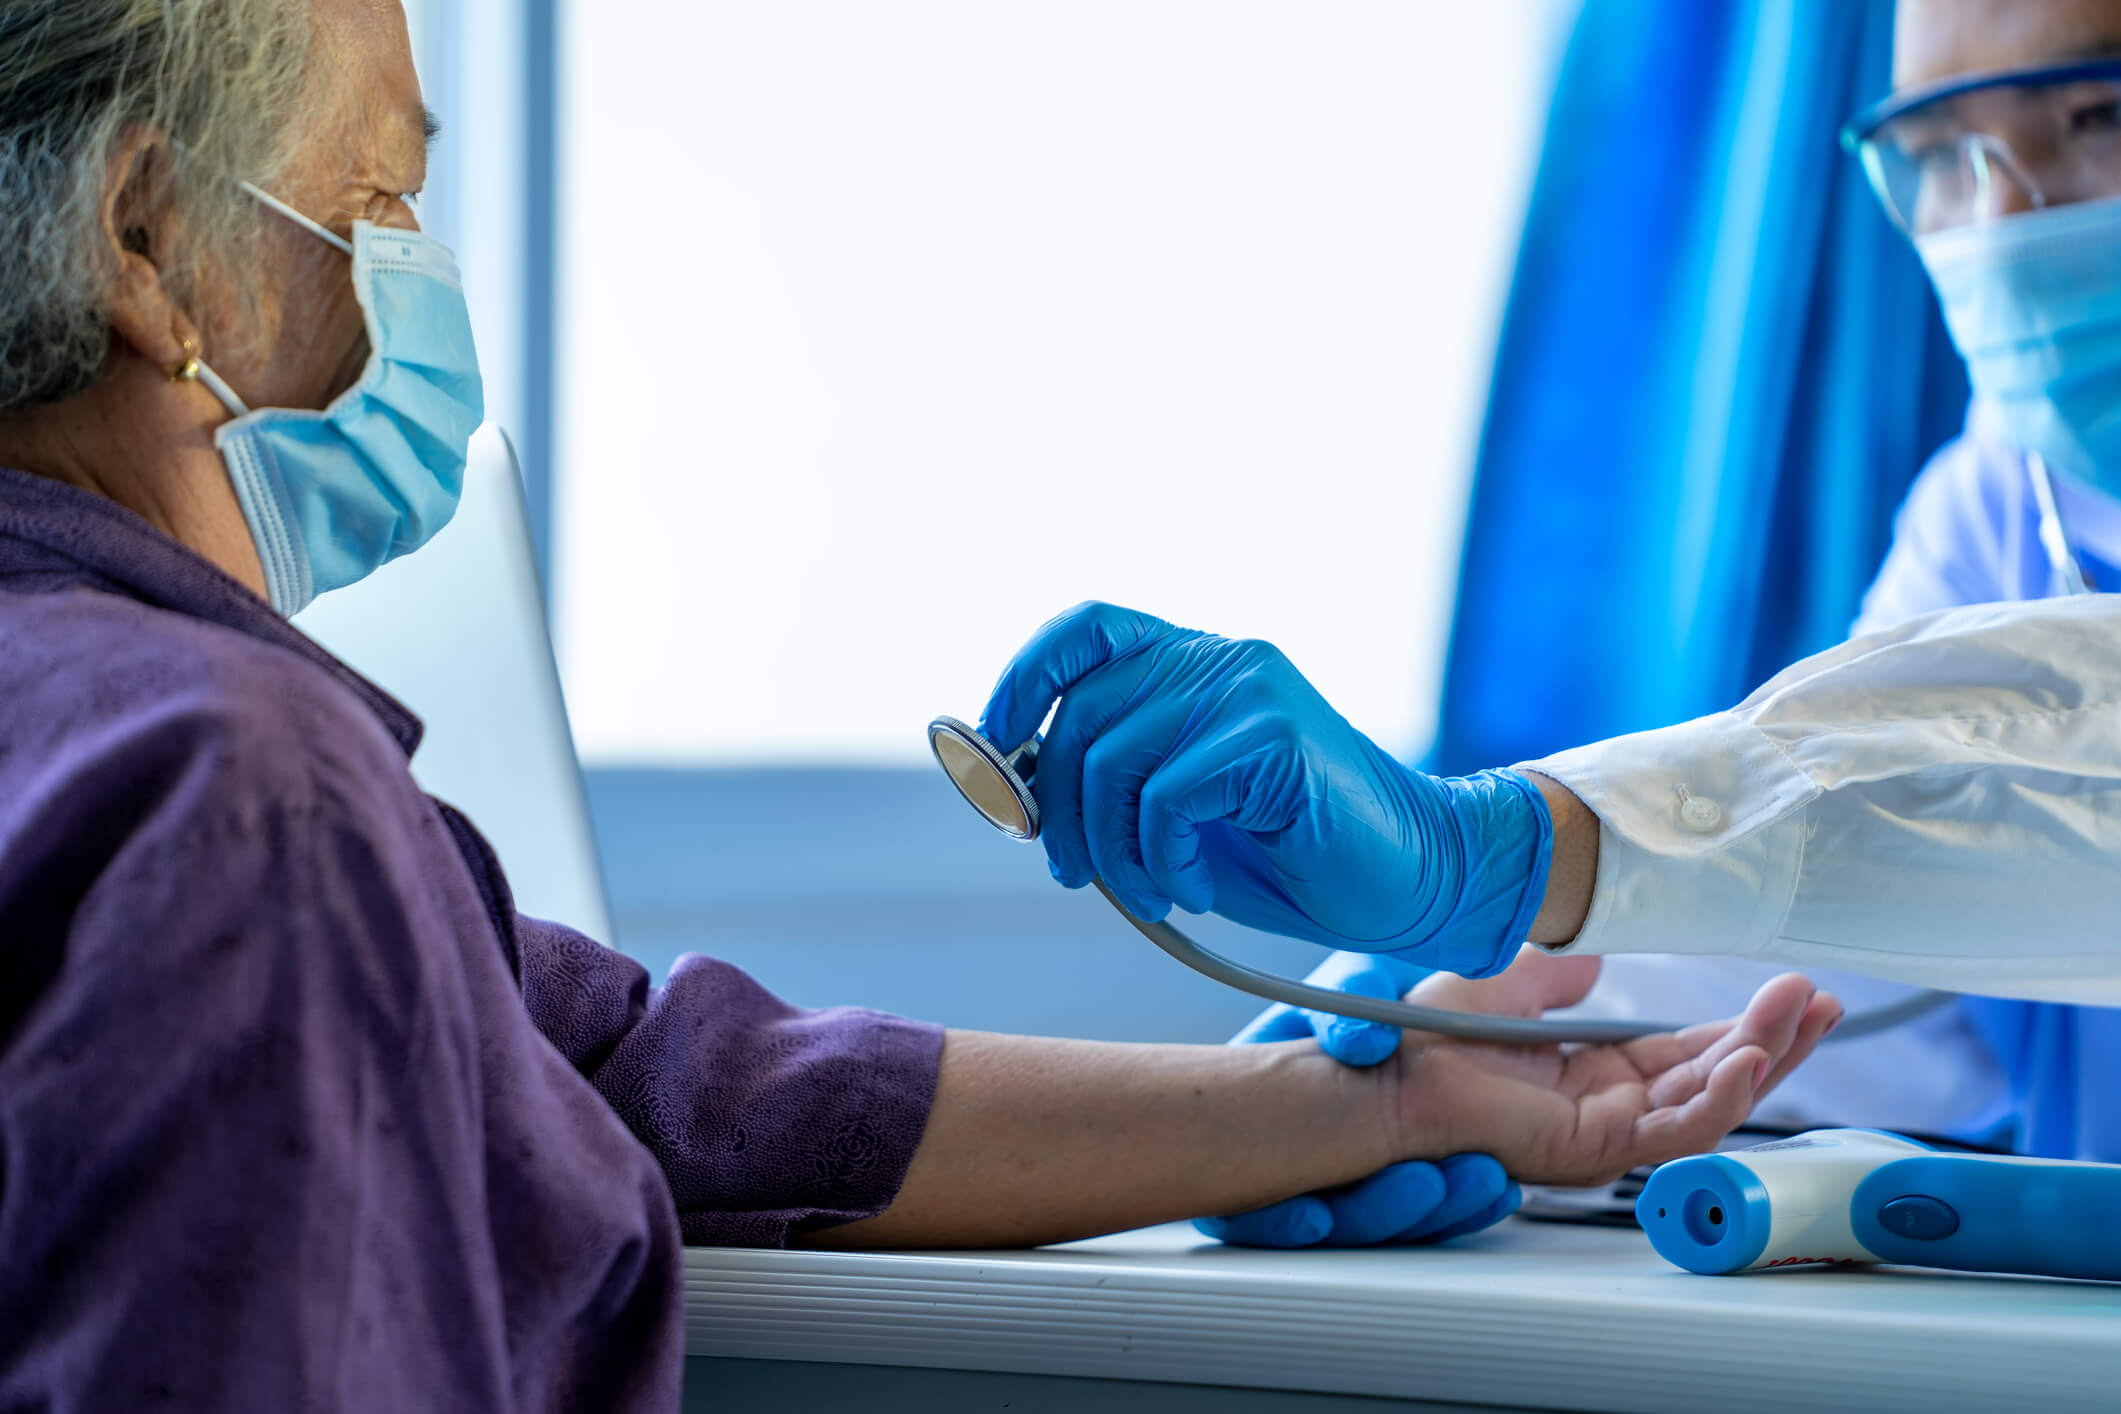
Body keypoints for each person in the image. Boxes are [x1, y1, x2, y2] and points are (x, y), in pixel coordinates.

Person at [0, 2, 1837, 1409]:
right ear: (147, 237)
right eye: (375, 199)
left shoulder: (136, 744)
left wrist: (1367, 1100)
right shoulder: (235, 791)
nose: (417, 273)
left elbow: (649, 1083)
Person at [977, 0, 2121, 1254]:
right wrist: (1481, 1043)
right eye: (1943, 154)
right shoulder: (2001, 503)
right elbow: (1895, 896)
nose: (2005, 225)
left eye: (2099, 119)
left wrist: (1501, 849)